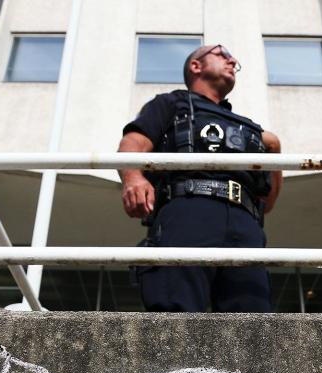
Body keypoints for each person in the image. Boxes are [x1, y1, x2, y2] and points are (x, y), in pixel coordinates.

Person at [117, 44, 283, 312]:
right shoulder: (171, 103)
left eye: (233, 58)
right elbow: (133, 142)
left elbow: (268, 202)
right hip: (188, 209)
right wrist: (133, 178)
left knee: (253, 320)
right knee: (175, 309)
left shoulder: (249, 128)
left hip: (244, 220)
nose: (232, 60)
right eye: (222, 54)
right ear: (196, 66)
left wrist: (276, 151)